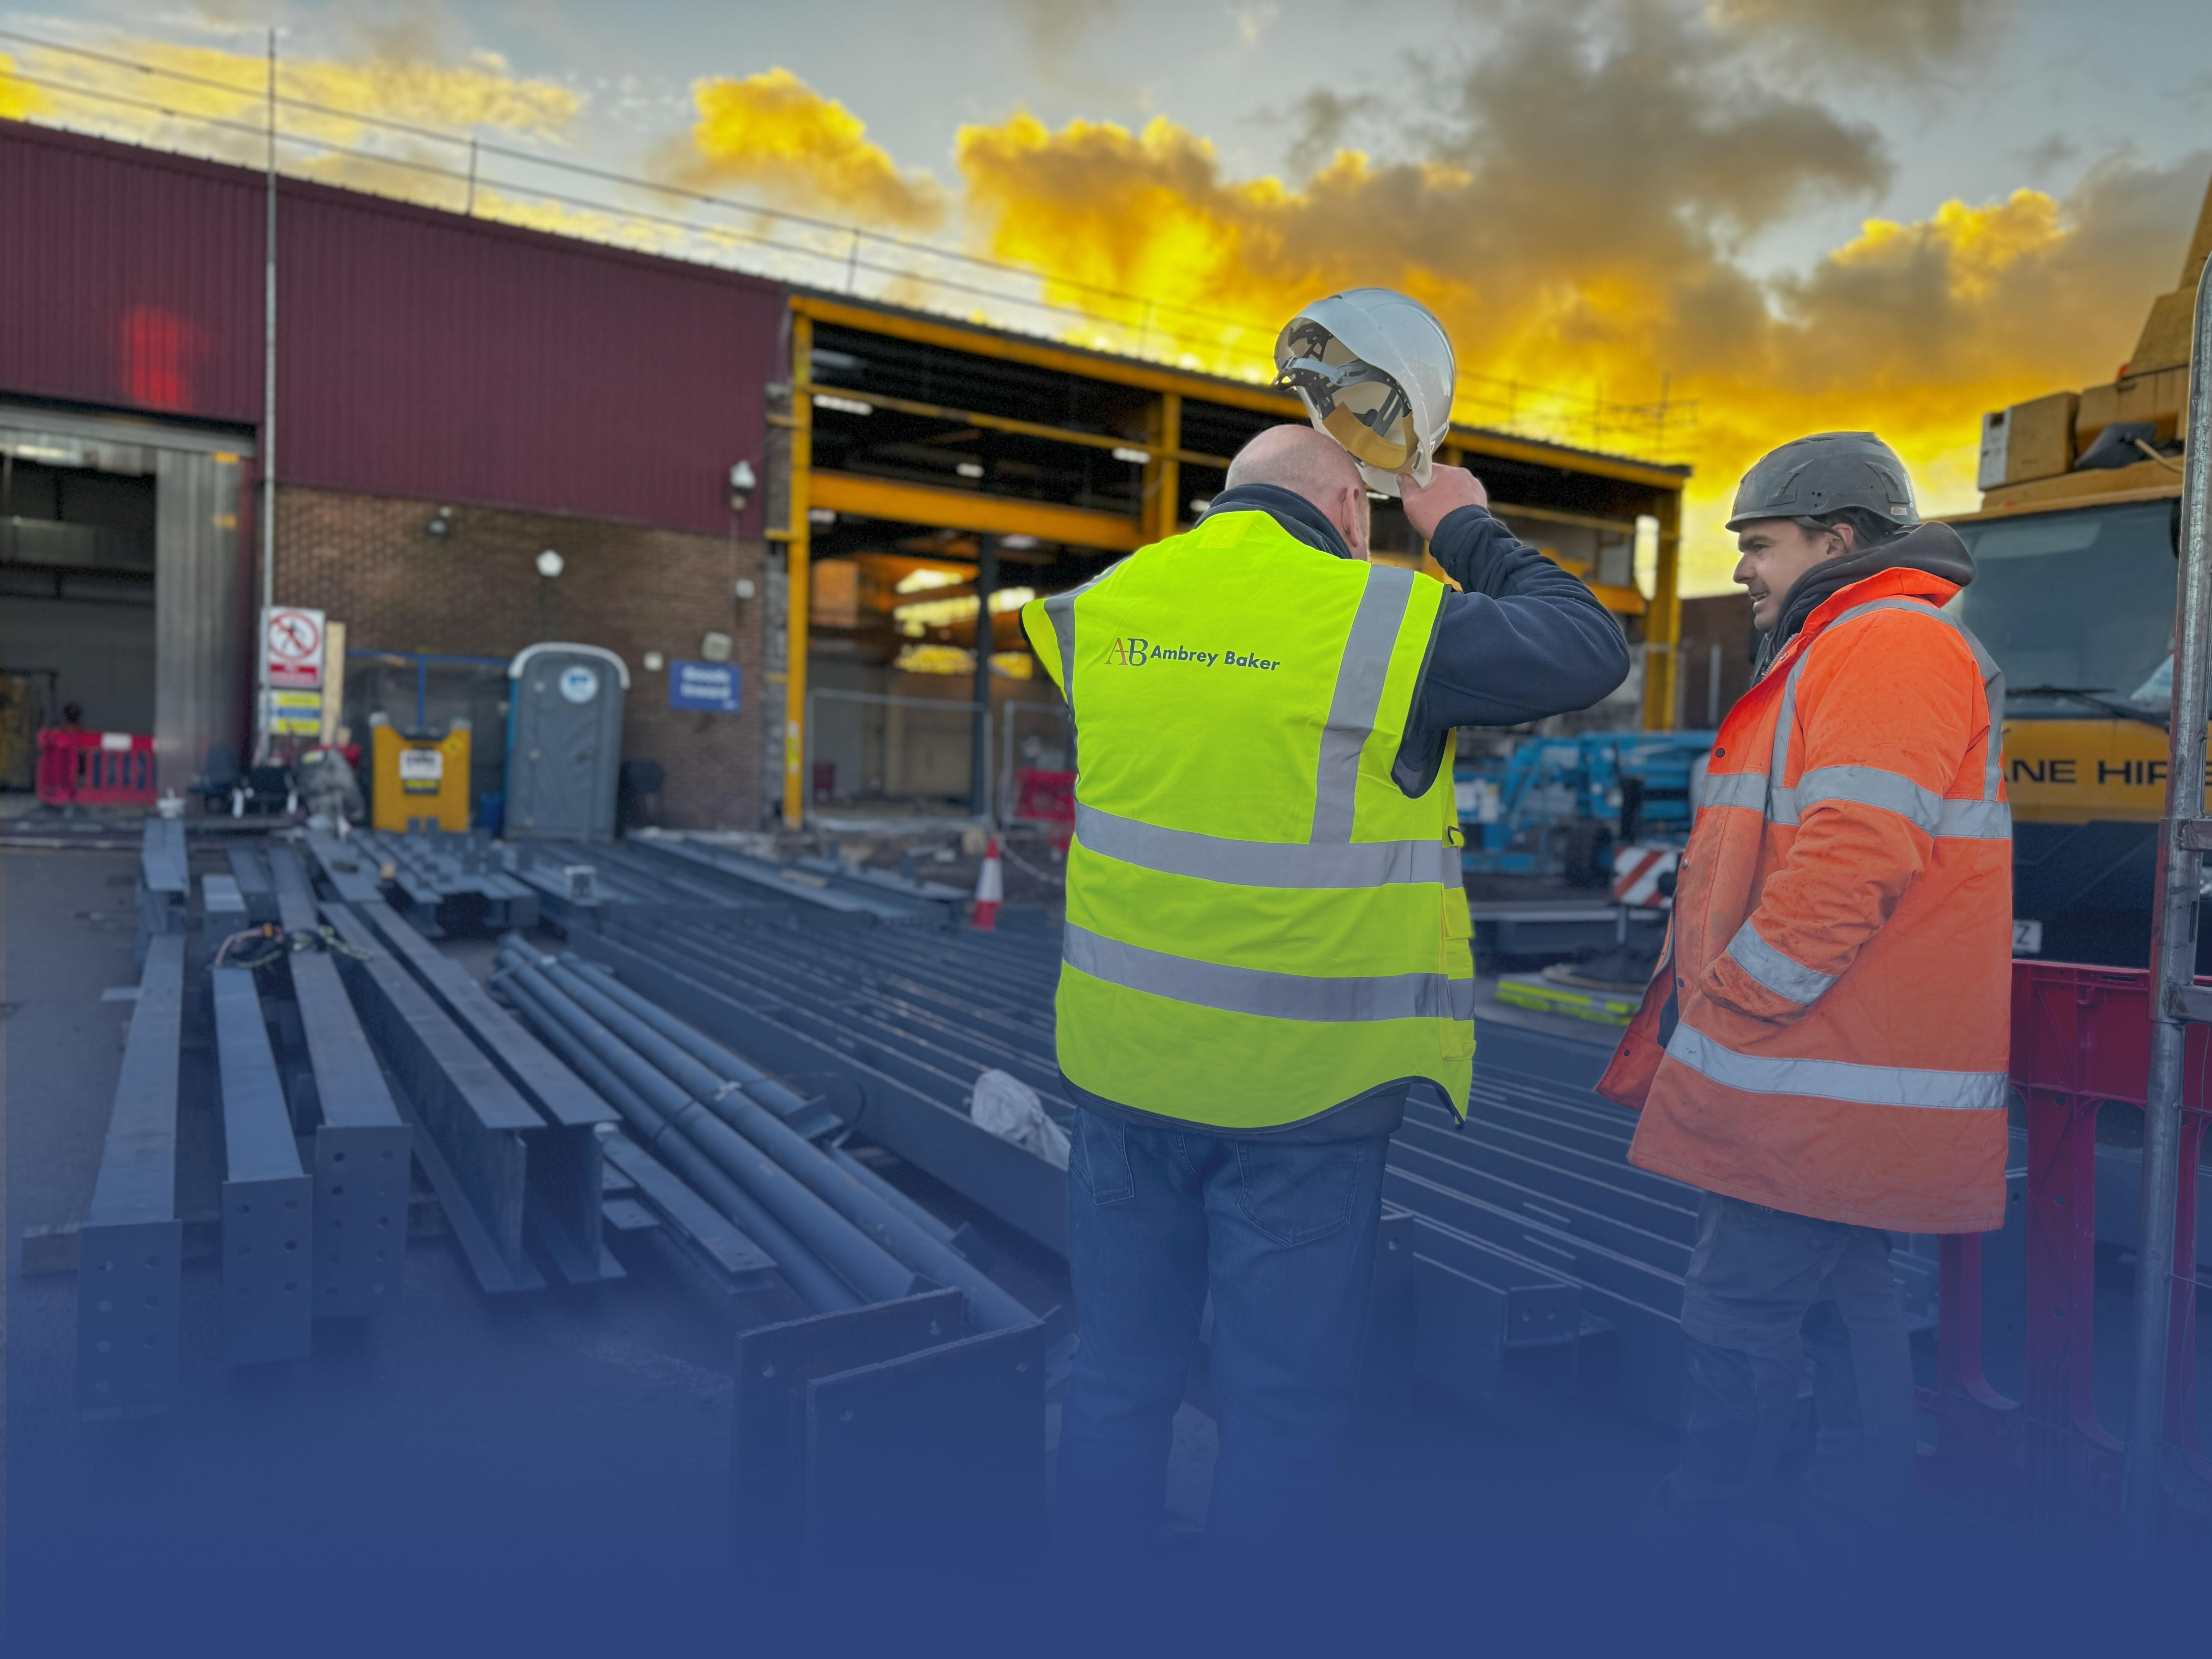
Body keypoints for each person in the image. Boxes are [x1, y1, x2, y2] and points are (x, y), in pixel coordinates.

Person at [1024, 418, 1630, 1567]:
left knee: (1116, 1376)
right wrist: (1460, 522)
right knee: (1280, 1415)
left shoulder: (1100, 604)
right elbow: (1588, 647)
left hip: (1123, 1069)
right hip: (1302, 1095)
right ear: (1352, 512)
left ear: (1227, 498)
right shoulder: (1386, 620)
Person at [1598, 431, 2011, 1555]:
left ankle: (1699, 1538)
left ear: (1837, 540)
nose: (1741, 570)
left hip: (1805, 1057)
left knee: (1739, 1306)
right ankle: (1852, 1535)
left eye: (1760, 545)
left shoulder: (1883, 643)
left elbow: (1853, 854)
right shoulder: (1858, 642)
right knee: (1848, 1300)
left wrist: (1734, 1004)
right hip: (1831, 1054)